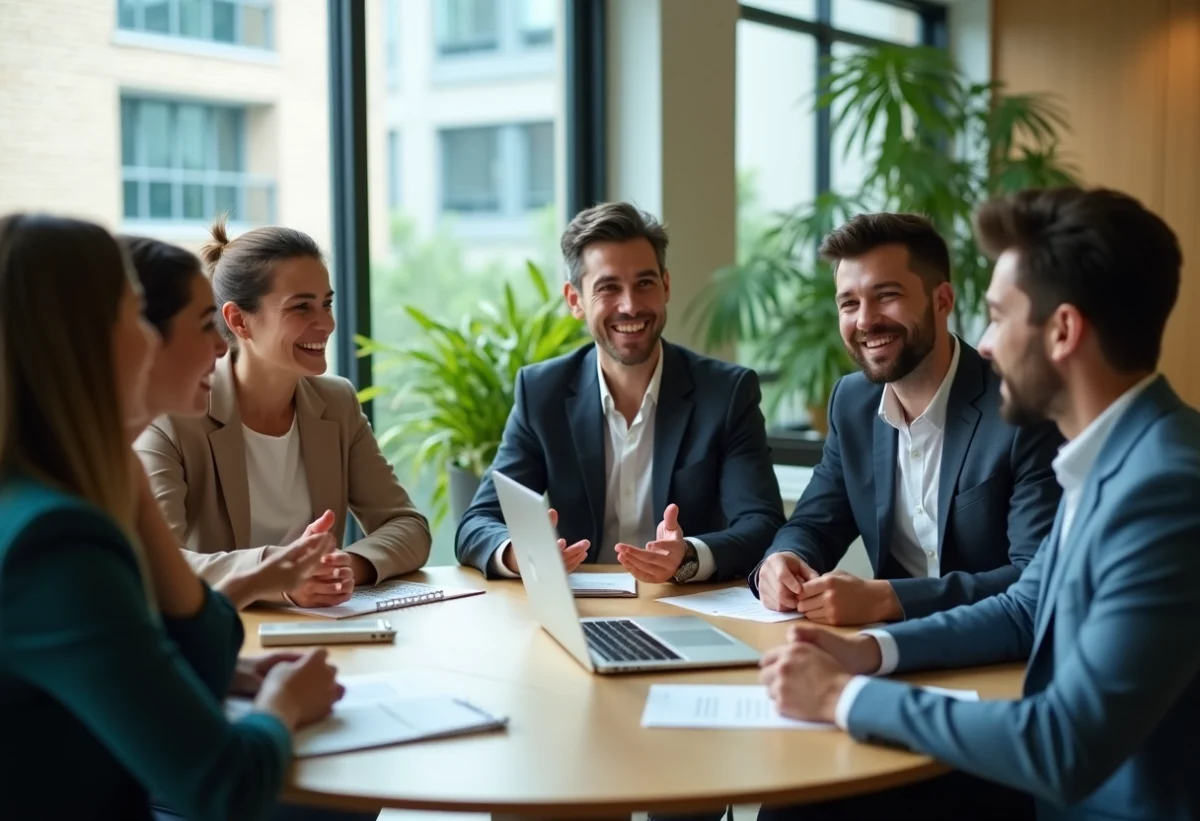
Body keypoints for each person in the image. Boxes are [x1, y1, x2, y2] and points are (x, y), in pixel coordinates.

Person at [758, 187, 1200, 821]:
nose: (985, 345)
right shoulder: (1111, 457)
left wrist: (843, 697)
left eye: (997, 316)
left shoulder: (1164, 488)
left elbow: (1062, 745)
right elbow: (1026, 608)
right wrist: (870, 651)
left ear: (1064, 331)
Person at [0, 213, 342, 821]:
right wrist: (282, 702)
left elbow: (138, 651)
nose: (155, 339)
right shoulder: (53, 541)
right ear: (84, 338)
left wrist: (240, 673)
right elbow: (221, 784)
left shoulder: (86, 484)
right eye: (135, 314)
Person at [752, 213, 1062, 626]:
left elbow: (1033, 578)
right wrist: (785, 559)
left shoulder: (1020, 406)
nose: (865, 320)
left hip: (995, 648)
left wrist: (890, 600)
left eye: (886, 295)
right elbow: (815, 523)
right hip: (890, 650)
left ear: (942, 300)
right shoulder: (852, 402)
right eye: (849, 303)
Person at [456, 202, 785, 584]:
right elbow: (477, 523)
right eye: (608, 288)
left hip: (684, 605)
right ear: (575, 300)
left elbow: (762, 524)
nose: (630, 306)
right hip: (579, 608)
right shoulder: (542, 393)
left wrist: (689, 555)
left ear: (666, 286)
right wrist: (521, 552)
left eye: (645, 283)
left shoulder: (726, 393)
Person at [135, 218, 431, 609]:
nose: (326, 324)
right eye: (301, 307)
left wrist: (346, 565)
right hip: (230, 633)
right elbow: (157, 565)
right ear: (238, 320)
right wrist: (282, 576)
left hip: (323, 630)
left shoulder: (336, 402)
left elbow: (408, 526)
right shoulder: (175, 415)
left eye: (326, 303)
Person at [123, 234, 340, 609]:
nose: (221, 346)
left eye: (326, 304)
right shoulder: (158, 430)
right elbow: (156, 575)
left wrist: (321, 570)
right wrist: (281, 573)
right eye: (204, 324)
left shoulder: (117, 466)